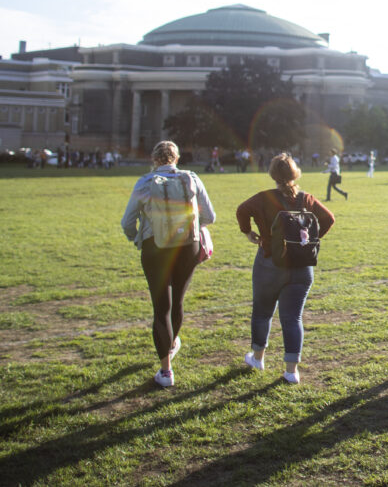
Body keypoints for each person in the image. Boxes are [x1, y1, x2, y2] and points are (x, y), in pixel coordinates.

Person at [121, 141, 215, 388]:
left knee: (161, 306)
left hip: (156, 247)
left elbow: (127, 221)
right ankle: (172, 345)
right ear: (176, 158)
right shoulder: (192, 178)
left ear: (154, 160)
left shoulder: (145, 183)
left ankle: (166, 371)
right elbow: (210, 216)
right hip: (187, 246)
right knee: (178, 301)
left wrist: (136, 237)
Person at [236, 153, 335, 384]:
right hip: (302, 266)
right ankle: (291, 371)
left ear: (273, 175)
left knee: (262, 312)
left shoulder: (263, 198)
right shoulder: (306, 199)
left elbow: (242, 210)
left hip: (270, 263)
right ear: (295, 174)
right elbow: (329, 218)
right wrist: (310, 240)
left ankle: (258, 357)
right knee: (293, 318)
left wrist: (248, 232)